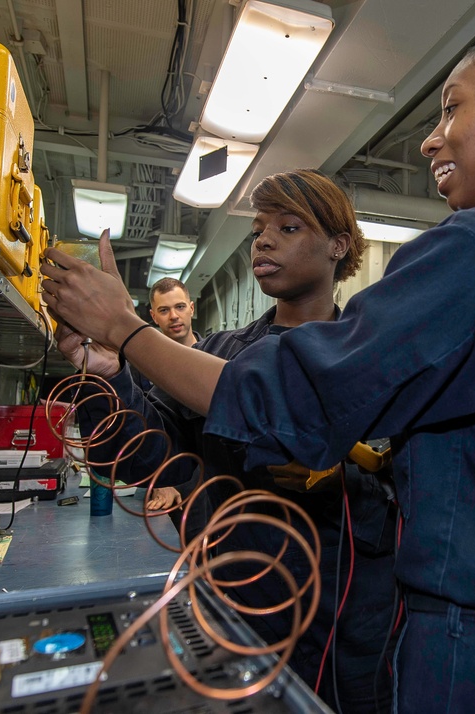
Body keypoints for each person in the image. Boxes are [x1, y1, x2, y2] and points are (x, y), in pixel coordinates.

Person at [42, 17, 475, 712]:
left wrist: (126, 328)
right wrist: (114, 369)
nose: (431, 136)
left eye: (453, 106)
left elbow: (297, 402)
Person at [50, 170, 399, 713]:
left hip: (353, 624)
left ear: (339, 246)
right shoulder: (217, 357)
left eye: (287, 226)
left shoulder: (374, 358)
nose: (262, 239)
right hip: (238, 605)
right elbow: (144, 454)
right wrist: (104, 374)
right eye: (258, 229)